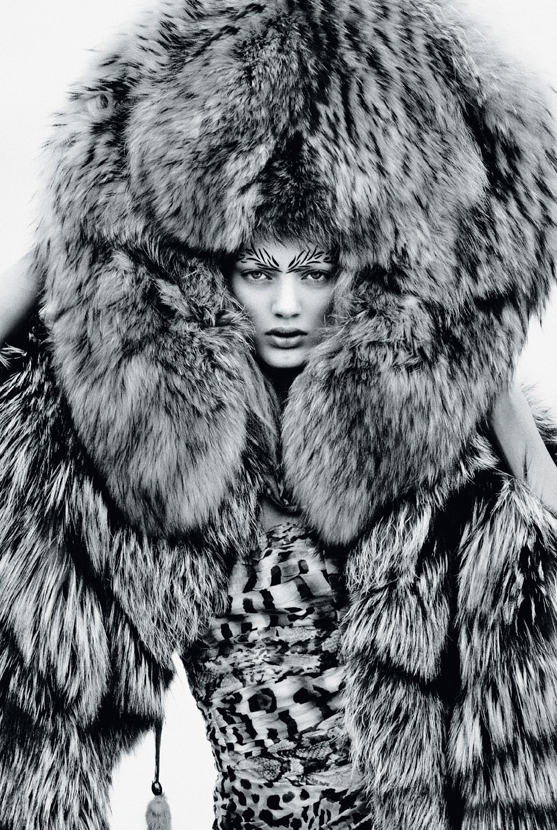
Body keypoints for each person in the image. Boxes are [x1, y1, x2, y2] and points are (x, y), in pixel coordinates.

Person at [1, 1, 557, 829]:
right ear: (216, 276)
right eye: (258, 272)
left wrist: (483, 360)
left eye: (316, 272)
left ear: (355, 279)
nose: (288, 304)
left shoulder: (426, 464)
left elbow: (541, 540)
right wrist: (82, 236)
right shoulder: (165, 462)